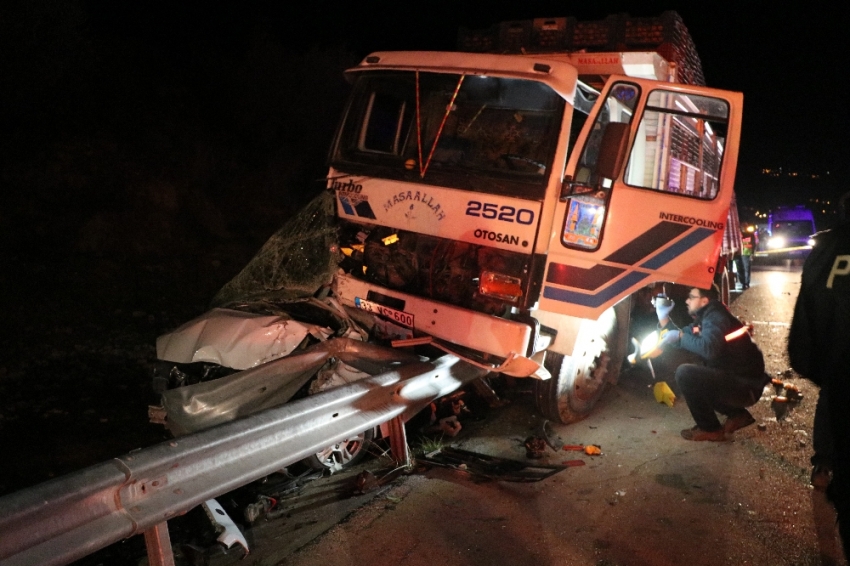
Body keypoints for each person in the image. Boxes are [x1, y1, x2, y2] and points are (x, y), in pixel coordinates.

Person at [787, 218, 850, 559]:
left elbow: (806, 324)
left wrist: (820, 369)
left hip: (839, 373)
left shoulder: (827, 249)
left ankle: (825, 467)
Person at [655, 286, 769, 441]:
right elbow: (681, 335)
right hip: (741, 382)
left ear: (704, 300)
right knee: (701, 372)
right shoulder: (704, 318)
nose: (687, 301)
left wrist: (680, 337)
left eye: (691, 297)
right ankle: (737, 415)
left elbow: (708, 349)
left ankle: (711, 429)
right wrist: (663, 319)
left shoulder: (715, 317)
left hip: (746, 386)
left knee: (686, 374)